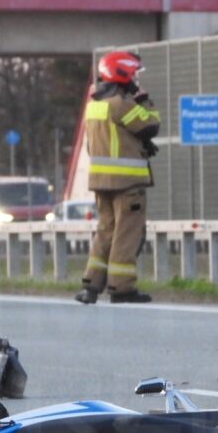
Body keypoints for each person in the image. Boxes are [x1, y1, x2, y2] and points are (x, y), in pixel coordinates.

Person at [75, 51, 160, 305]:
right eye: (133, 73)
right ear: (123, 74)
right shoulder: (120, 104)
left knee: (106, 231)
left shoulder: (95, 106)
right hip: (127, 183)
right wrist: (143, 99)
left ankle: (91, 285)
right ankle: (121, 288)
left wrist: (136, 145)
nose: (135, 78)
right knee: (127, 233)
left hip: (101, 182)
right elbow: (150, 125)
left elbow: (109, 140)